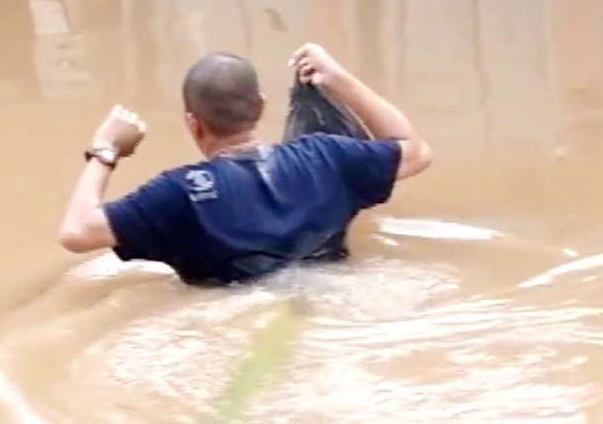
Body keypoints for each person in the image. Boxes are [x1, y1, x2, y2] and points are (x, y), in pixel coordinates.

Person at [58, 43, 432, 285]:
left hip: (233, 322)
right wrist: (339, 80)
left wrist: (105, 150)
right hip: (338, 296)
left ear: (193, 124)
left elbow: (77, 232)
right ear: (261, 108)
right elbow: (414, 150)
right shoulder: (326, 157)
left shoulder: (178, 194)